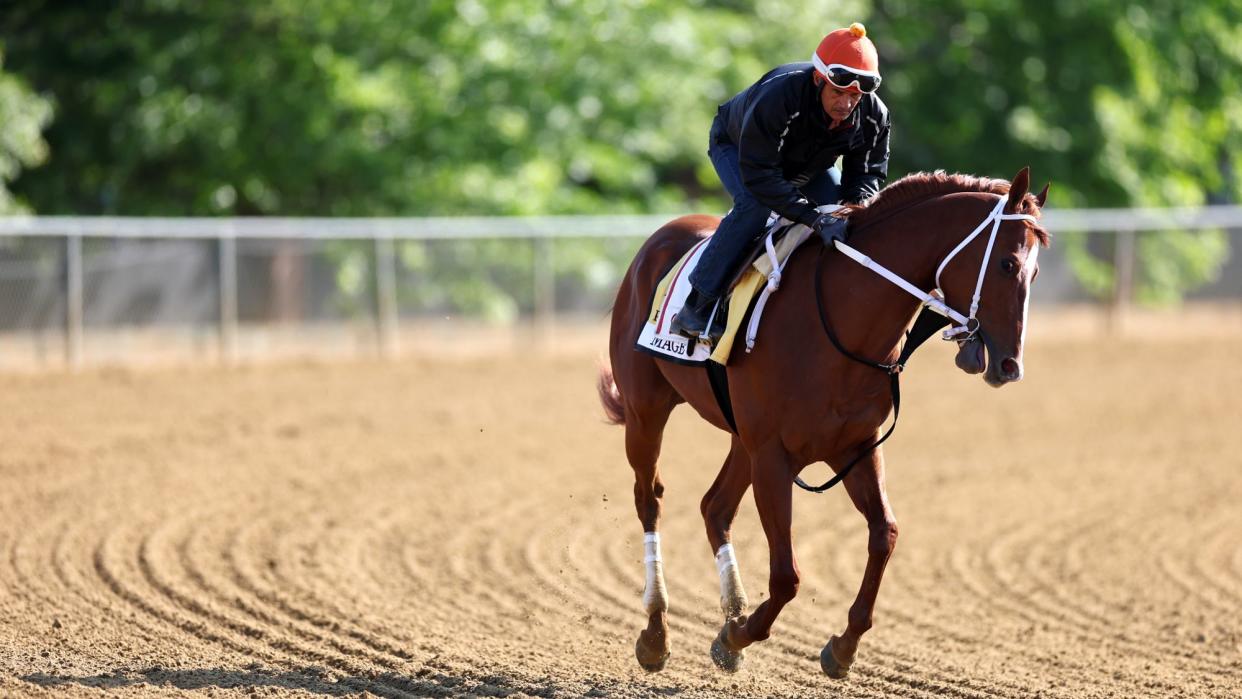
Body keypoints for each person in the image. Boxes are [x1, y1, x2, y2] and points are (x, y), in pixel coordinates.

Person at [671, 22, 891, 341]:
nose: (846, 105)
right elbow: (761, 176)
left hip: (807, 165)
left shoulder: (874, 116)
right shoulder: (779, 97)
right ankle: (697, 305)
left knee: (851, 220)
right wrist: (813, 217)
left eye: (855, 96)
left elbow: (866, 174)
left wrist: (850, 208)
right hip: (738, 148)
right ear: (819, 79)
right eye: (839, 92)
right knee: (755, 206)